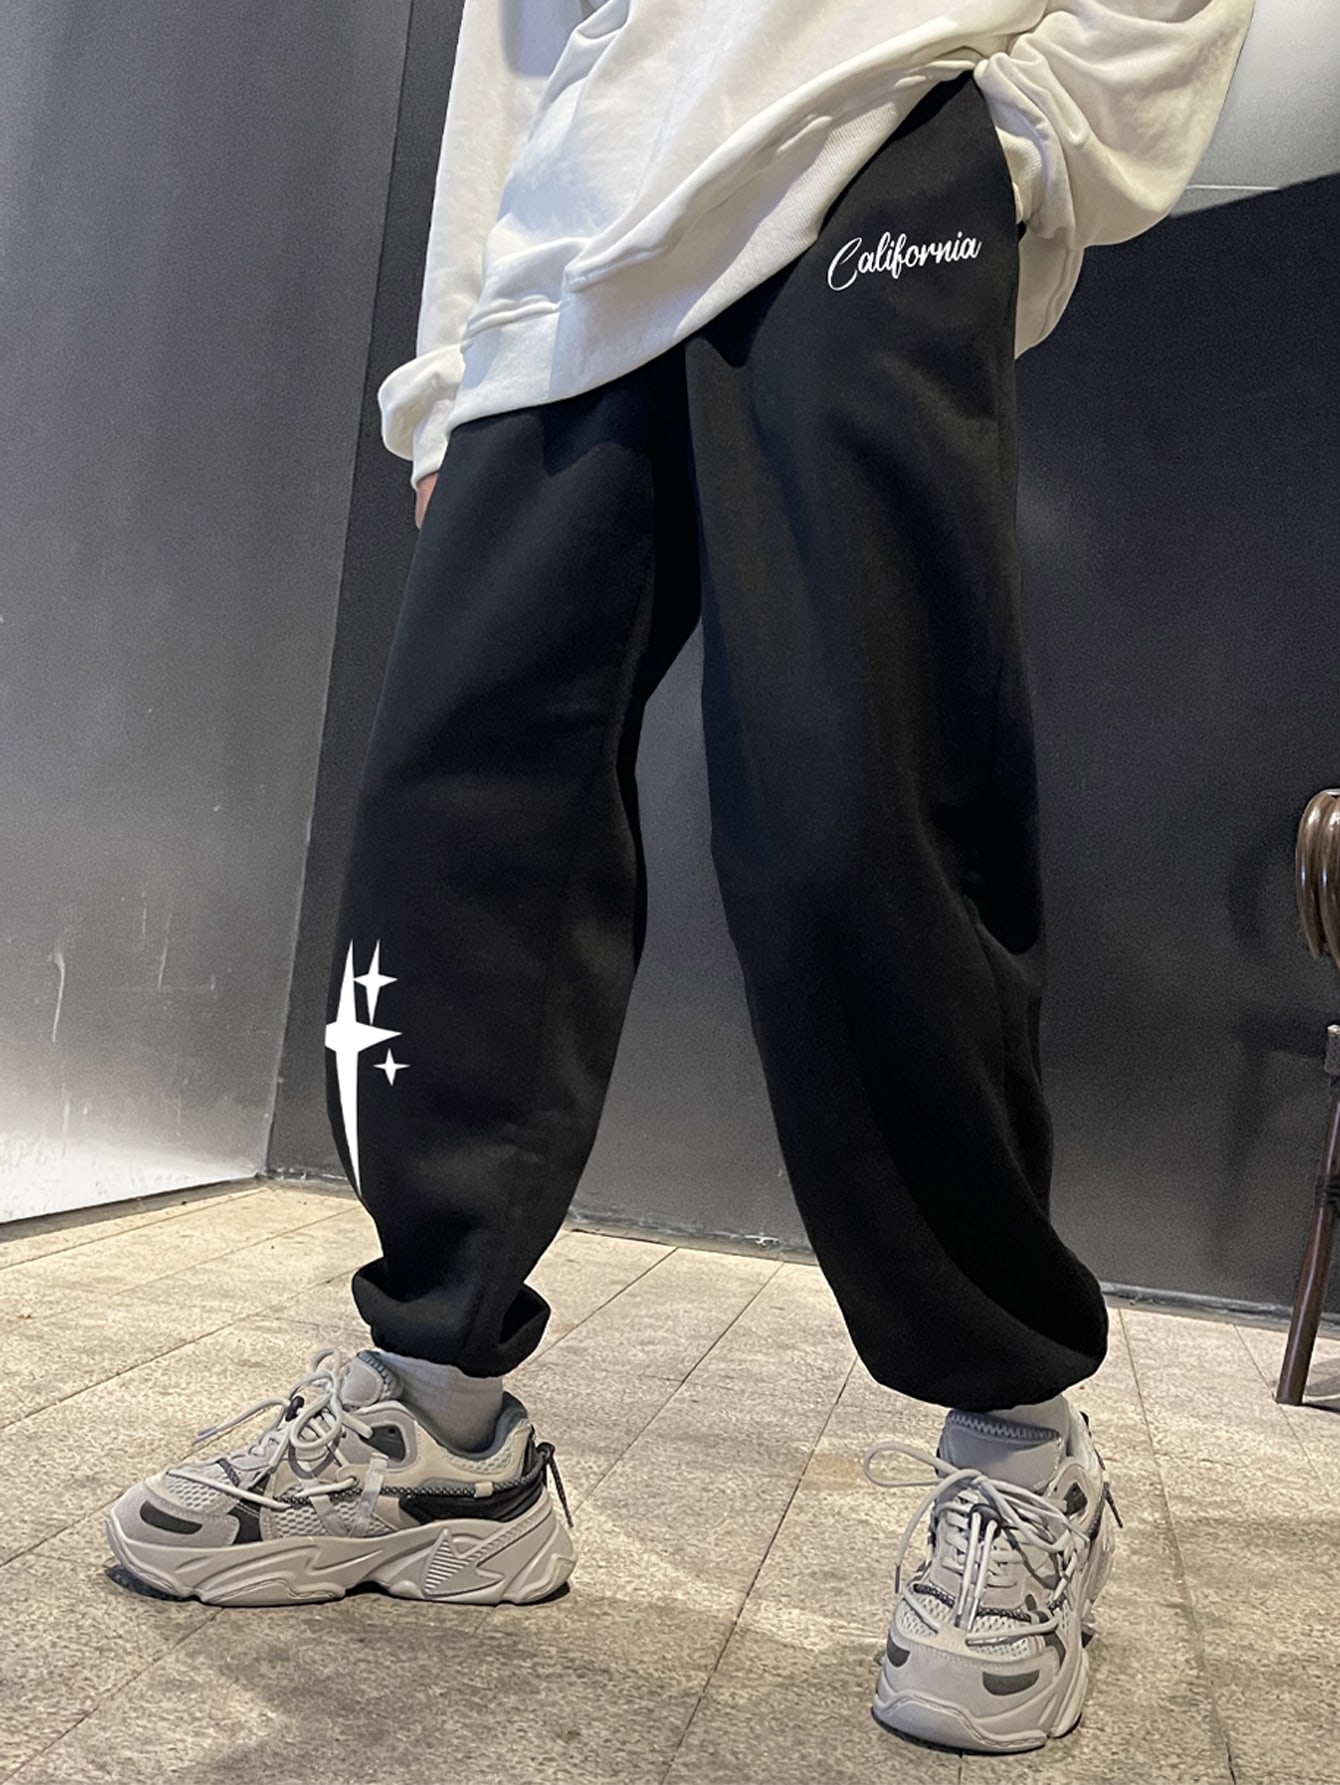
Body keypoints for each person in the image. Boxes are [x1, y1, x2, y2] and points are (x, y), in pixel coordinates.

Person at [107, 0, 1255, 1754]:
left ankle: (1019, 1436)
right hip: (574, 249)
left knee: (852, 818)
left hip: (874, 139)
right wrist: (458, 353)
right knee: (456, 823)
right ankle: (436, 1422)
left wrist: (1027, 136)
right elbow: (515, 35)